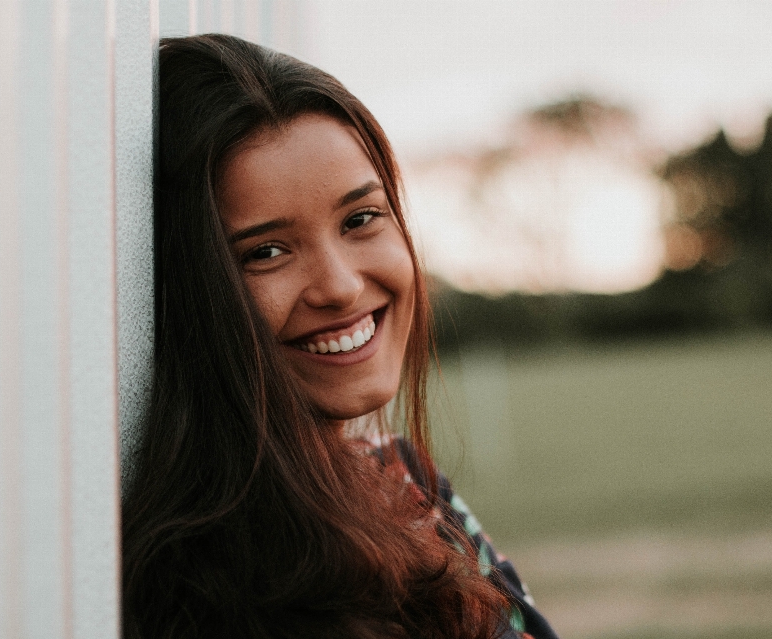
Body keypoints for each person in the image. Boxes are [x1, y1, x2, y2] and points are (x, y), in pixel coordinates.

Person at [121, 34, 559, 639]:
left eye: (360, 219)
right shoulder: (233, 591)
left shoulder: (402, 476)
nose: (341, 287)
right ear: (190, 288)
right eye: (266, 252)